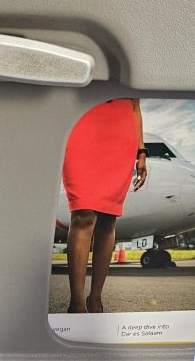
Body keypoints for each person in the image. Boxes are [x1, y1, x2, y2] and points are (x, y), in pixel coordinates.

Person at [61, 99, 148, 313]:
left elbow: (135, 106)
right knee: (82, 214)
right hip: (80, 118)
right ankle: (77, 302)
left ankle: (96, 298)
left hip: (120, 129)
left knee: (108, 218)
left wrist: (141, 150)